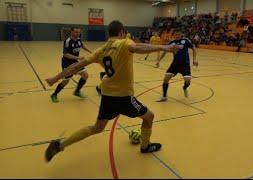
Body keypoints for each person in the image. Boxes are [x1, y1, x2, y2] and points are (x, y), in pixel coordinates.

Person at [44, 20, 182, 162]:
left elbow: (75, 66)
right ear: (122, 32)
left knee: (96, 128)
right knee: (149, 117)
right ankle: (145, 146)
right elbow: (136, 47)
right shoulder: (124, 43)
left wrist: (55, 78)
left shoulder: (101, 50)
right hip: (123, 97)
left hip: (107, 96)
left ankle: (60, 145)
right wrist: (165, 48)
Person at [50, 27, 92, 103]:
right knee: (66, 81)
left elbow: (82, 45)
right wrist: (78, 57)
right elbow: (65, 54)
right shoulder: (67, 41)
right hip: (67, 63)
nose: (77, 33)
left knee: (85, 75)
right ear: (72, 32)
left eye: (79, 32)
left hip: (75, 62)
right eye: (76, 32)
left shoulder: (79, 39)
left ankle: (77, 91)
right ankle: (54, 94)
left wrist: (90, 51)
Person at [156, 30, 198, 102]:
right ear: (174, 35)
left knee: (187, 81)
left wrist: (194, 60)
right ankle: (164, 96)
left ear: (181, 34)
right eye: (176, 34)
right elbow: (165, 51)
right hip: (175, 64)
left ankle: (184, 88)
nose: (177, 36)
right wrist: (158, 61)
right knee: (166, 78)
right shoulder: (172, 43)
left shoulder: (185, 41)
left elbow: (194, 48)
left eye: (179, 34)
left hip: (185, 64)